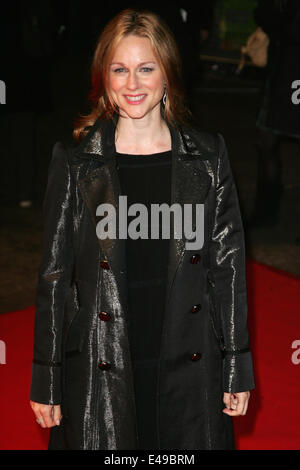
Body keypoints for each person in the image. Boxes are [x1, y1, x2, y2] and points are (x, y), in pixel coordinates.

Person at [29, 8, 255, 450]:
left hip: (189, 360)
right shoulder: (77, 163)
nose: (133, 84)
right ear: (104, 77)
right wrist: (47, 377)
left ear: (167, 72)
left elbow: (227, 270)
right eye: (120, 69)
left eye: (146, 68)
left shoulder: (208, 159)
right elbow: (54, 276)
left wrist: (235, 365)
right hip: (102, 360)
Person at [247, 0, 300, 229]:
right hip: (285, 68)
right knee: (266, 139)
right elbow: (264, 13)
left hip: (288, 66)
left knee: (267, 139)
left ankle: (266, 212)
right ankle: (265, 211)